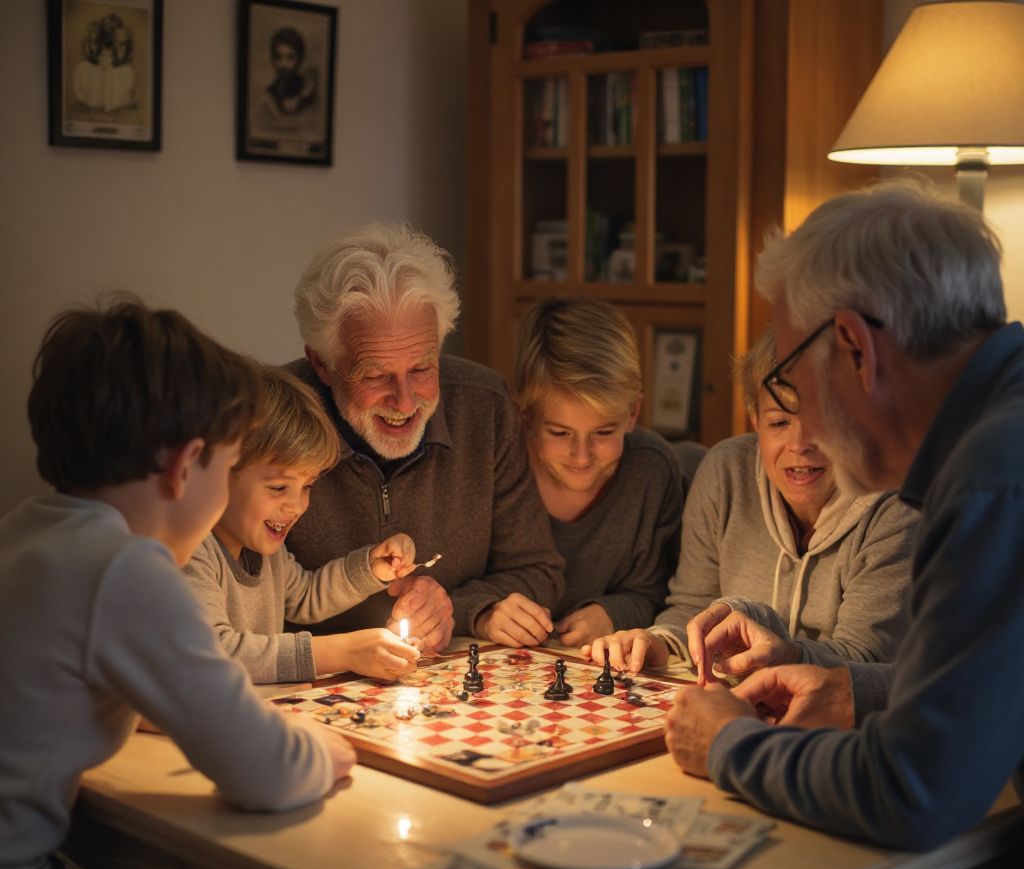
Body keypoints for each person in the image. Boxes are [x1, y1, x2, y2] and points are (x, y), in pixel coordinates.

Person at [664, 178, 1024, 869]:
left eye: (792, 368)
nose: (798, 425)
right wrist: (863, 691)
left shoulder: (990, 479)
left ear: (857, 349)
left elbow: (915, 792)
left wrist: (729, 745)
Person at [0, 298, 369, 869]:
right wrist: (327, 747)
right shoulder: (124, 569)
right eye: (231, 464)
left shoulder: (27, 531)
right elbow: (267, 771)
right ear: (183, 465)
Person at [286, 222, 565, 652]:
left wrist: (464, 606)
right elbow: (242, 598)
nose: (404, 401)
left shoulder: (483, 405)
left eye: (422, 368)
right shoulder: (269, 420)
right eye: (376, 374)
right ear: (322, 365)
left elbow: (537, 570)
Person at [585, 325, 916, 685]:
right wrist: (657, 642)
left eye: (821, 419)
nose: (800, 444)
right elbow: (691, 609)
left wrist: (784, 652)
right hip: (738, 707)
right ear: (755, 419)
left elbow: (863, 660)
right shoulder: (725, 471)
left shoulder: (895, 502)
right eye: (779, 422)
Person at [184, 364, 422, 683]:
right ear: (218, 474)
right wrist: (343, 652)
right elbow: (216, 651)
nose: (297, 506)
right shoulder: (190, 551)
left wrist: (371, 568)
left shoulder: (267, 554)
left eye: (307, 486)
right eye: (278, 487)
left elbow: (308, 596)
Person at [508, 297, 681, 647]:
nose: (582, 456)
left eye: (603, 432)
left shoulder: (651, 471)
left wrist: (614, 614)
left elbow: (663, 596)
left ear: (633, 412)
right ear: (526, 417)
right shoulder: (500, 464)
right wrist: (486, 611)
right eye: (559, 433)